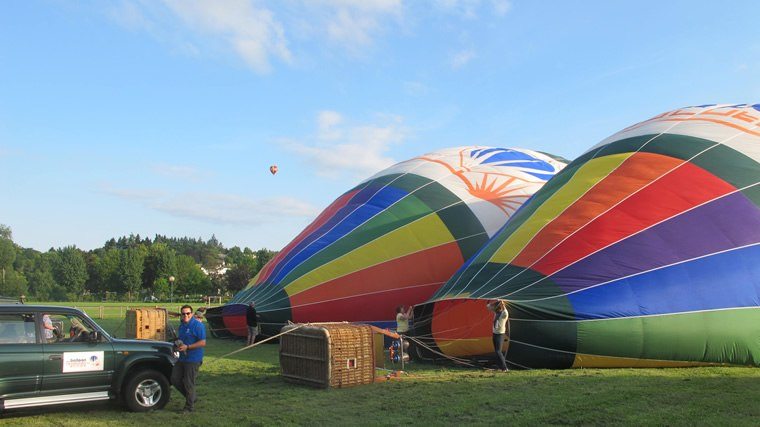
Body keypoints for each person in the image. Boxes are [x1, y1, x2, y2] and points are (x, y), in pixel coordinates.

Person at [171, 305, 206, 413]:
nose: (185, 315)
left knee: (188, 382)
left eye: (188, 313)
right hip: (182, 358)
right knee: (175, 379)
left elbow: (203, 342)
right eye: (183, 313)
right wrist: (177, 345)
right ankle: (192, 397)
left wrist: (188, 347)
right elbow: (181, 340)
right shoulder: (182, 326)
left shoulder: (198, 325)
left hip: (193, 359)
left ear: (192, 314)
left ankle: (189, 407)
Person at [487, 299, 509, 372]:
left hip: (500, 334)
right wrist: (494, 301)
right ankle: (500, 367)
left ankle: (505, 368)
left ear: (498, 308)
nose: (493, 309)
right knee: (496, 351)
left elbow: (506, 311)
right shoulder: (496, 313)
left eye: (495, 308)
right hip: (495, 334)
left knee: (498, 351)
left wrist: (502, 303)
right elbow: (488, 306)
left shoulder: (503, 314)